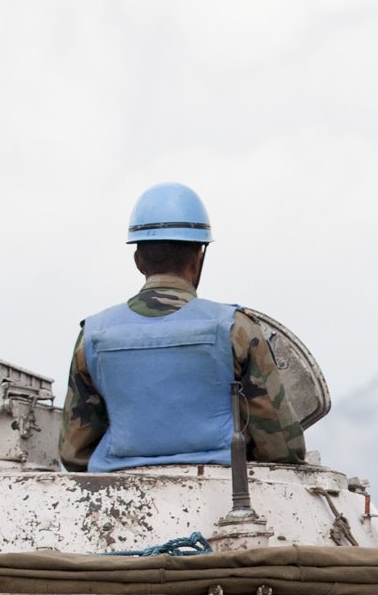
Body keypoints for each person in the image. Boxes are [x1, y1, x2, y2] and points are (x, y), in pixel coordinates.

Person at [60, 182, 327, 472]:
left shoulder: (93, 336)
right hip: (224, 499)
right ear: (198, 257)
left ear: (138, 261)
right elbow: (281, 447)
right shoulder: (234, 329)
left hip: (119, 497)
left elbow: (73, 452)